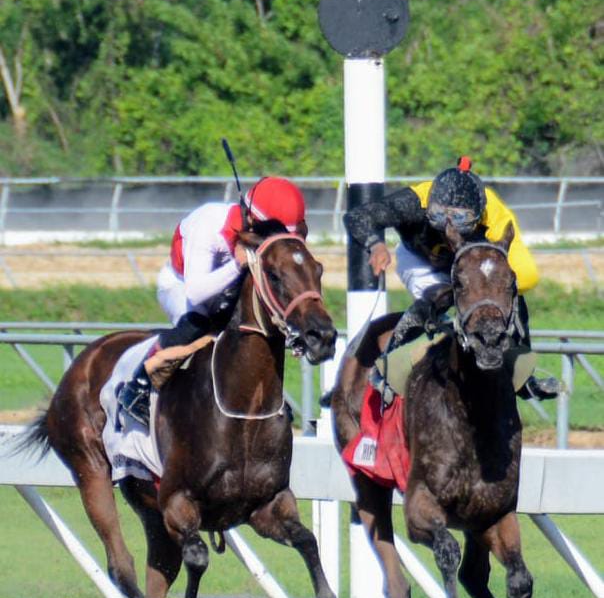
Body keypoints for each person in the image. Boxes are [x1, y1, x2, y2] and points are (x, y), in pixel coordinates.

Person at [343, 156, 559, 400]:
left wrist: (495, 289)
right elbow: (357, 216)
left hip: (470, 264)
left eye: (459, 218)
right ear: (430, 203)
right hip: (419, 259)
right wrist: (376, 244)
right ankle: (386, 365)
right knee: (438, 296)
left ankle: (524, 378)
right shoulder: (416, 200)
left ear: (478, 215)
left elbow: (527, 275)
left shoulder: (495, 215)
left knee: (510, 291)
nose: (447, 226)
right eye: (438, 214)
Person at [117, 176, 308, 426]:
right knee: (198, 324)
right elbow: (196, 293)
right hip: (180, 285)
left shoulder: (266, 227)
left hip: (227, 289)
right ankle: (138, 385)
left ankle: (269, 398)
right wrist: (238, 264)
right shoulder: (209, 225)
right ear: (252, 220)